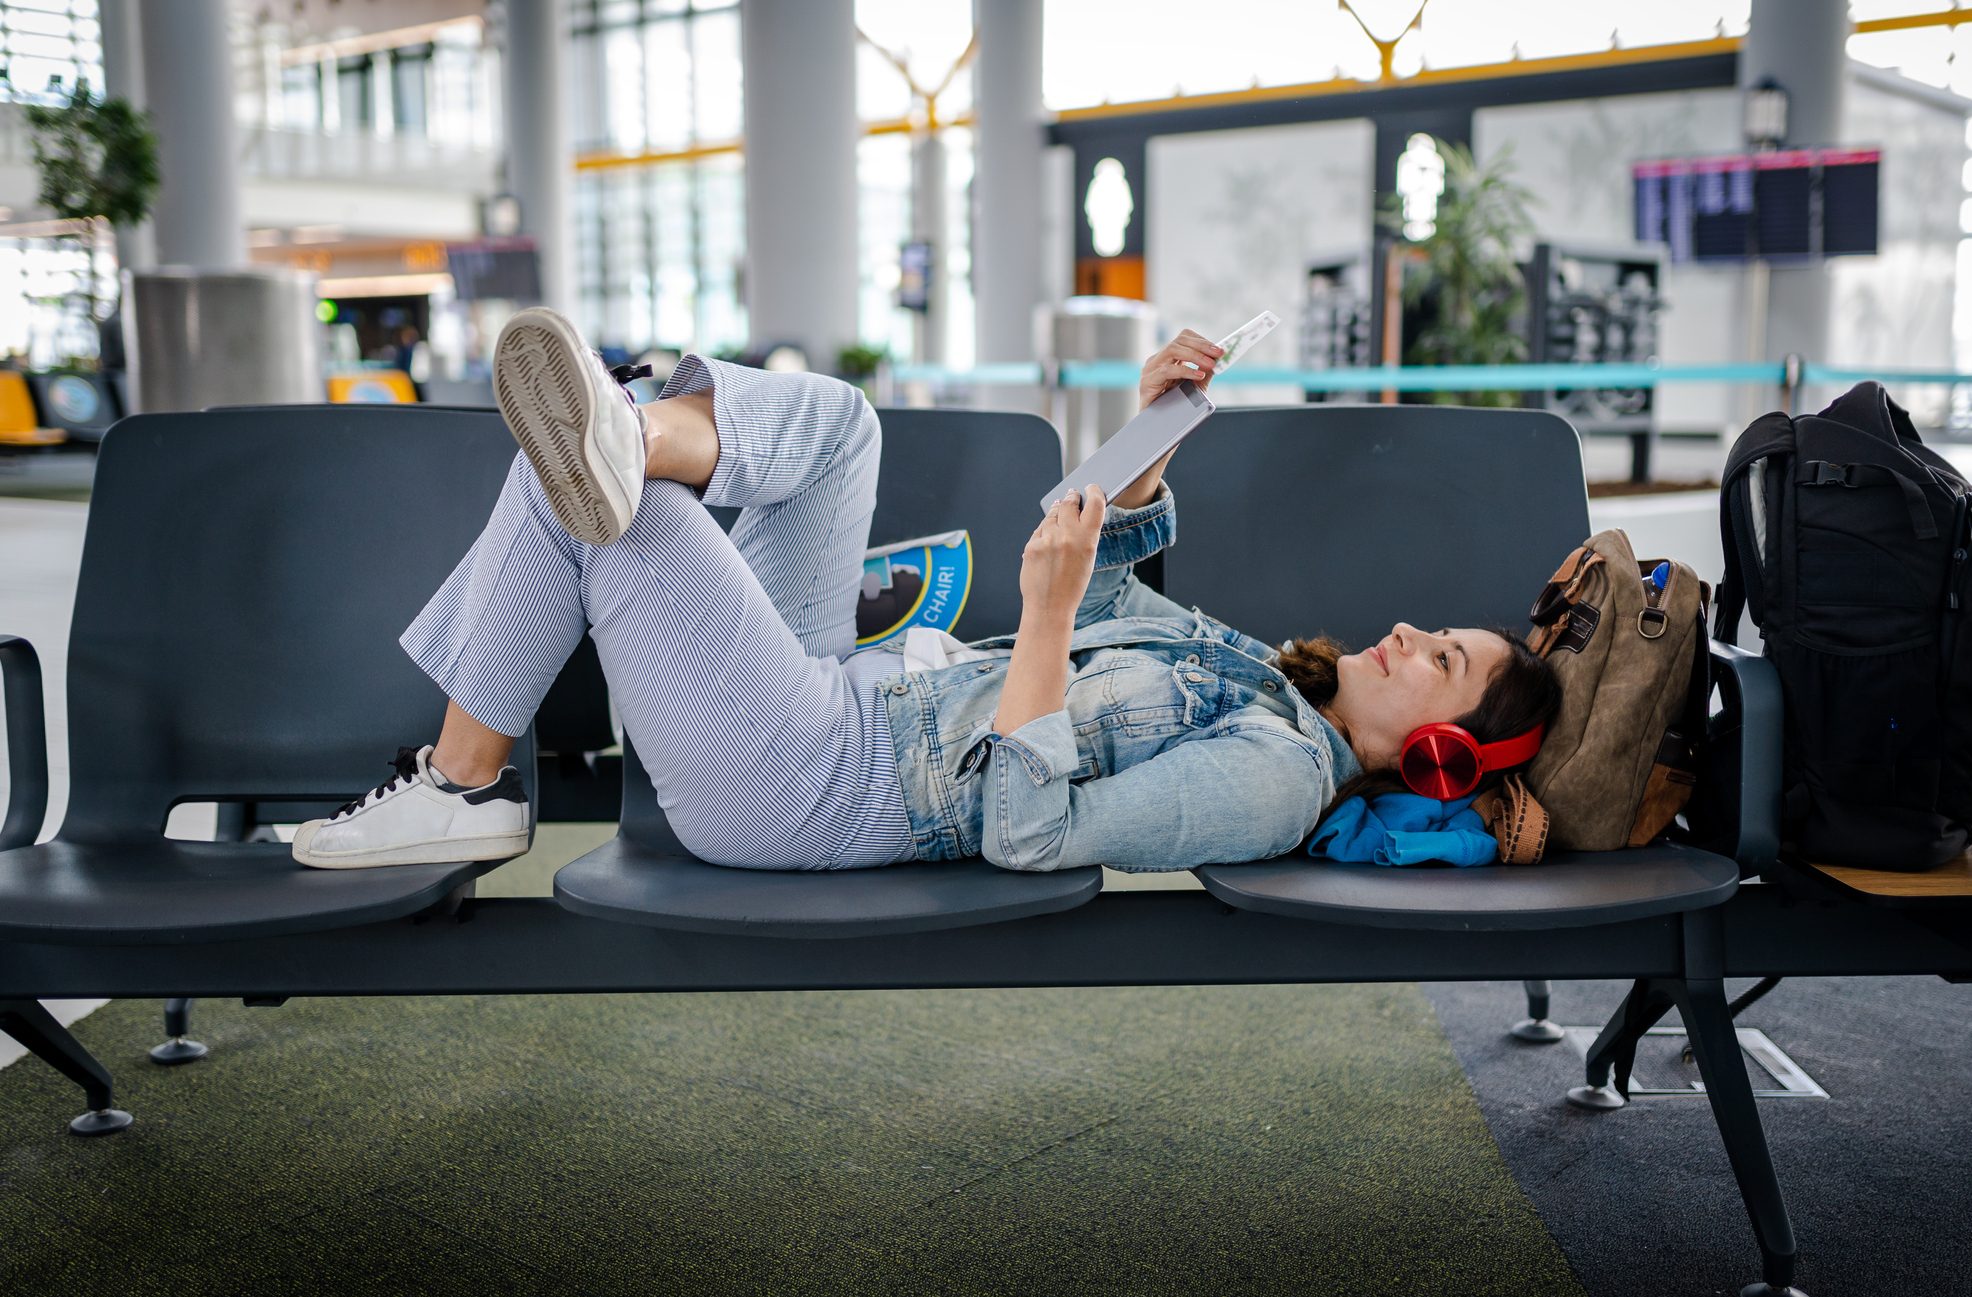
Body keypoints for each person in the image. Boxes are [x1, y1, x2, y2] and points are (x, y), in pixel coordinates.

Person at [292, 308, 1560, 874]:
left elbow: (1030, 833)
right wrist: (1150, 442)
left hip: (821, 780)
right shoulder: (1266, 674)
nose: (1408, 633)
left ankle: (462, 783)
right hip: (837, 696)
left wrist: (1048, 622)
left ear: (1440, 758)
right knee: (838, 426)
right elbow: (1108, 574)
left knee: (611, 506)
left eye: (1440, 658)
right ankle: (622, 439)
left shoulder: (1279, 778)